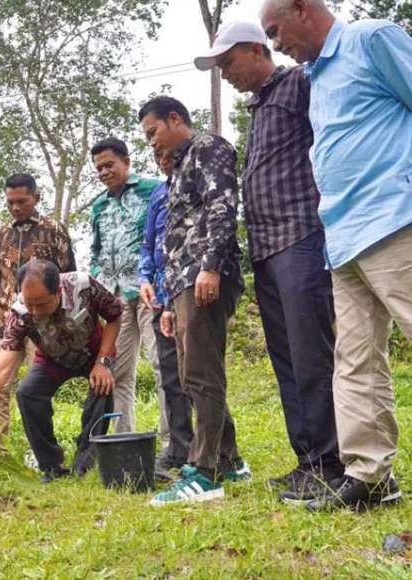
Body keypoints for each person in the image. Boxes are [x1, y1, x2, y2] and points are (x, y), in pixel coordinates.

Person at [260, 0, 412, 512]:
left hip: (394, 219)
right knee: (355, 363)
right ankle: (371, 476)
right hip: (342, 238)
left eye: (276, 31)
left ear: (302, 9)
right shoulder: (315, 77)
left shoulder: (372, 40)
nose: (275, 44)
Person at [194, 20, 340, 503]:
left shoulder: (300, 83)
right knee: (286, 361)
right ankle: (307, 462)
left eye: (228, 63)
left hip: (301, 238)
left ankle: (331, 462)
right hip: (267, 250)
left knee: (312, 357)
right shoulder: (258, 108)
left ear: (257, 50)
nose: (226, 75)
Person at [139, 96, 249, 506]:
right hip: (183, 282)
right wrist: (168, 302)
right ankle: (230, 460)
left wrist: (211, 266)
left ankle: (204, 473)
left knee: (201, 373)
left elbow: (223, 207)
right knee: (192, 374)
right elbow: (174, 238)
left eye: (153, 133)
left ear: (174, 119)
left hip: (205, 276)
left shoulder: (208, 147)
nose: (151, 144)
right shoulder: (179, 167)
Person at [0, 260, 120, 483]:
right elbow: (1, 368)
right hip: (52, 358)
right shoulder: (19, 314)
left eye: (42, 304)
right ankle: (52, 466)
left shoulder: (84, 286)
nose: (36, 311)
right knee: (27, 393)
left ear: (58, 291)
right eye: (30, 304)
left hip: (93, 353)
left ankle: (85, 463)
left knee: (102, 387)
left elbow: (115, 315)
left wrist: (103, 361)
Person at [0, 173, 76, 443]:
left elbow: (68, 275)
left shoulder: (54, 230)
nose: (16, 208)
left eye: (22, 201)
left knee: (38, 387)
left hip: (44, 323)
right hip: (6, 322)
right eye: (10, 202)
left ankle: (40, 450)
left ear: (36, 198)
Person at [90, 138, 163, 436]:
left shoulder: (152, 190)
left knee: (161, 365)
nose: (104, 172)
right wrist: (98, 276)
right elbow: (95, 250)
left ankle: (173, 442)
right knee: (119, 373)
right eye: (99, 168)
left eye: (109, 165)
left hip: (150, 291)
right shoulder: (99, 205)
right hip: (115, 301)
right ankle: (123, 440)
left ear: (127, 162)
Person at [138, 151, 194, 474]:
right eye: (156, 153)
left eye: (167, 152)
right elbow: (148, 244)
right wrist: (144, 279)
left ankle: (212, 450)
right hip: (161, 298)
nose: (162, 157)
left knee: (197, 374)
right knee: (171, 375)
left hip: (189, 289)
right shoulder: (159, 194)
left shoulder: (193, 184)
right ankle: (178, 448)